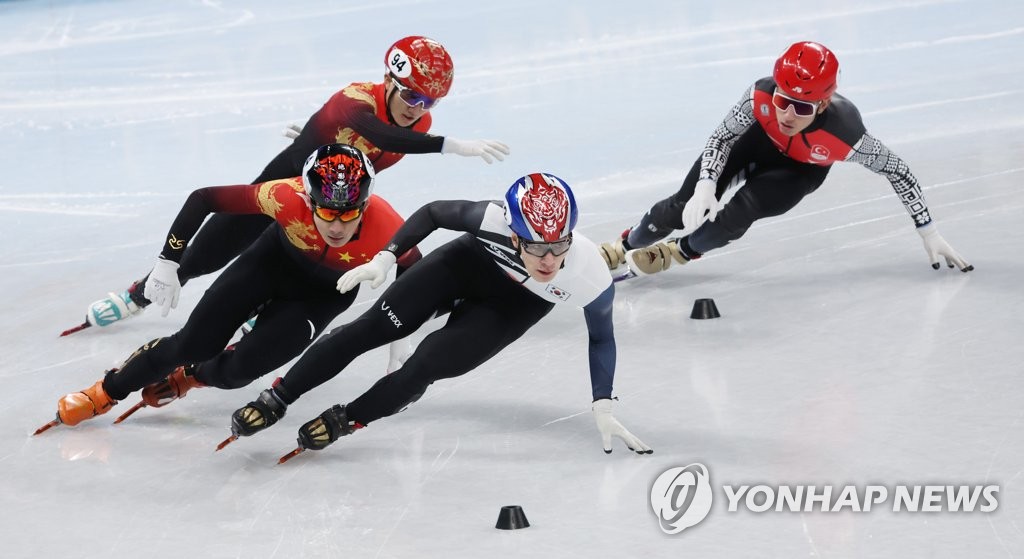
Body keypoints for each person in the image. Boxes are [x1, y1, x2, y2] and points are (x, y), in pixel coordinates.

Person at [82, 35, 510, 329]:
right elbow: (381, 136)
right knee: (206, 255)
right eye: (413, 97)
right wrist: (451, 146)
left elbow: (375, 154)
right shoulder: (355, 100)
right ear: (389, 82)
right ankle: (140, 294)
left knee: (305, 267)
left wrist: (317, 139)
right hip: (282, 187)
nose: (420, 110)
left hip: (329, 208)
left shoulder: (419, 122)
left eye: (430, 101)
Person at [224, 173, 653, 459]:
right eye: (535, 246)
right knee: (370, 328)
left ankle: (346, 418)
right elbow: (432, 213)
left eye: (558, 245)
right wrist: (386, 257)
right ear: (512, 229)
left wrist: (602, 401)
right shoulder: (490, 219)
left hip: (511, 307)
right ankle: (277, 399)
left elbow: (601, 337)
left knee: (424, 366)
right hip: (466, 265)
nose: (548, 259)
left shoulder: (590, 277)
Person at [36, 144, 419, 432]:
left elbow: (416, 275)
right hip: (271, 263)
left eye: (349, 214)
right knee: (192, 343)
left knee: (237, 372)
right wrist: (168, 262)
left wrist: (400, 339)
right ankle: (107, 390)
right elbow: (203, 199)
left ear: (365, 205)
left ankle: (191, 377)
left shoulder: (388, 226)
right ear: (307, 197)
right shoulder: (284, 195)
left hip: (322, 296)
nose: (336, 227)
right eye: (325, 211)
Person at [598, 41, 972, 277]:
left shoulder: (846, 135)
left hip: (798, 171)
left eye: (801, 106)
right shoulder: (758, 95)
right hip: (754, 144)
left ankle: (675, 253)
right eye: (782, 100)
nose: (787, 114)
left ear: (824, 104)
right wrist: (707, 183)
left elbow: (899, 172)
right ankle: (623, 246)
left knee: (740, 211)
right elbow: (724, 136)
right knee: (683, 205)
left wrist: (929, 232)